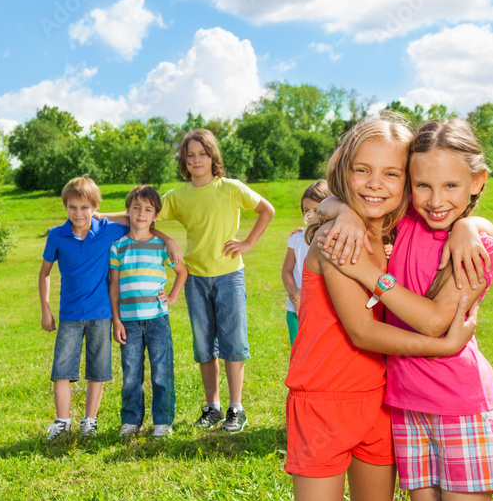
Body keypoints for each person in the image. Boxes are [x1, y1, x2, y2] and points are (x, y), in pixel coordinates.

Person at [283, 114, 483, 501]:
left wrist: (467, 225)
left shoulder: (400, 231)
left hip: (380, 404)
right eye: (363, 171)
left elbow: (464, 209)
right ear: (344, 170)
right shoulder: (334, 235)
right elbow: (363, 332)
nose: (377, 184)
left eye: (392, 175)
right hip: (322, 403)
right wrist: (439, 345)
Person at [38, 176, 180, 442]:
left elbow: (139, 221)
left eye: (85, 208)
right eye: (72, 207)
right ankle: (63, 422)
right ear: (65, 206)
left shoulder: (107, 229)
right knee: (62, 370)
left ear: (94, 208)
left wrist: (167, 239)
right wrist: (46, 308)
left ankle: (89, 422)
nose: (78, 213)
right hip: (70, 314)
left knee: (99, 370)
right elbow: (44, 273)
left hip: (103, 314)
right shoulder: (57, 235)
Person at [161, 128, 275, 433]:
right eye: (191, 155)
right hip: (195, 278)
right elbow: (142, 214)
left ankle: (235, 407)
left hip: (229, 276)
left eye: (203, 153)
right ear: (184, 161)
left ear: (213, 156)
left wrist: (248, 243)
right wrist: (98, 216)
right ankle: (211, 407)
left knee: (233, 343)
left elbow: (267, 209)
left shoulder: (231, 188)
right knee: (203, 345)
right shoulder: (177, 197)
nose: (197, 160)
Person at [108, 185, 188, 441]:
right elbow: (113, 287)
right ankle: (131, 421)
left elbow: (182, 272)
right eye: (136, 208)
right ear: (128, 211)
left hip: (157, 319)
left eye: (148, 209)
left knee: (161, 372)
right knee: (131, 374)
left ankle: (163, 422)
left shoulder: (162, 247)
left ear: (155, 216)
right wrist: (116, 320)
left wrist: (173, 296)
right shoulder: (118, 247)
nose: (141, 213)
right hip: (128, 321)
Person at [281, 180, 329, 345]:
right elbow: (287, 270)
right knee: (299, 354)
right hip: (296, 310)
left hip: (324, 312)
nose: (310, 215)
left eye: (316, 210)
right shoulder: (296, 239)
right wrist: (294, 293)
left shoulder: (333, 239)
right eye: (306, 210)